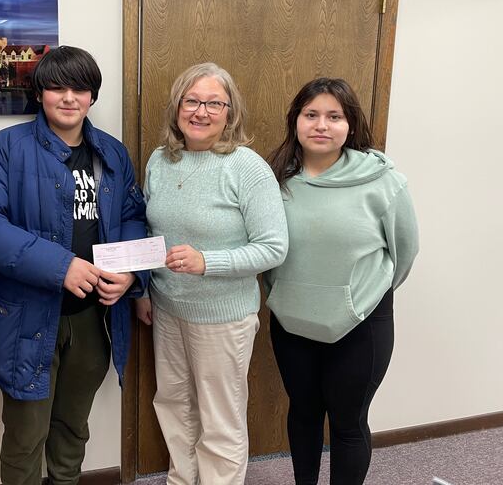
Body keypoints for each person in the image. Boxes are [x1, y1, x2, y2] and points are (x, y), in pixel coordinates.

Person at [0, 45, 147, 485]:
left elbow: (134, 216)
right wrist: (60, 266)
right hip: (27, 319)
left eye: (79, 88)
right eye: (56, 87)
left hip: (92, 319)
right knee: (26, 436)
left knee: (72, 429)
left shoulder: (113, 154)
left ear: (92, 96)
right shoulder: (8, 147)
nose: (68, 98)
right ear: (39, 93)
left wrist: (131, 273)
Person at [135, 62, 288, 485]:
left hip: (223, 317)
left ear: (230, 112)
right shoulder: (160, 161)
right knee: (173, 404)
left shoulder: (247, 167)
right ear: (177, 107)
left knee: (220, 420)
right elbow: (152, 232)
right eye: (192, 101)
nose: (201, 112)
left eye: (214, 103)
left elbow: (274, 247)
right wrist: (143, 291)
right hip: (167, 309)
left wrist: (208, 262)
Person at [265, 77, 419, 485]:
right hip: (291, 321)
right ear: (295, 120)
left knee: (349, 422)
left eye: (334, 116)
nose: (321, 125)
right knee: (303, 412)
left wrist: (358, 298)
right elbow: (264, 250)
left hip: (361, 325)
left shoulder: (383, 181)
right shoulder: (273, 180)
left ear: (350, 124)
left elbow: (404, 253)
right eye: (311, 114)